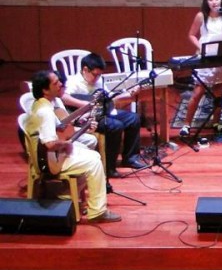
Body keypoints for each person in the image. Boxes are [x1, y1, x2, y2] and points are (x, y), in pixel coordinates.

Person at [25, 70, 121, 223]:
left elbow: (57, 130)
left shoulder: (40, 104)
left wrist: (80, 129)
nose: (61, 84)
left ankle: (67, 195)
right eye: (56, 83)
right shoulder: (46, 112)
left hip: (47, 155)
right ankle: (97, 211)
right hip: (49, 161)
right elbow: (49, 144)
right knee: (94, 161)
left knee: (88, 147)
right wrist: (66, 144)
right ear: (45, 90)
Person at [62, 53, 146, 178]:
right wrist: (84, 104)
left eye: (99, 75)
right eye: (95, 74)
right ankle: (109, 167)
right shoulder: (73, 81)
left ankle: (130, 158)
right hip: (86, 117)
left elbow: (111, 98)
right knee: (115, 126)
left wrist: (129, 95)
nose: (97, 78)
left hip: (102, 112)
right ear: (85, 69)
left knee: (133, 118)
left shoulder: (99, 80)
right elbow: (64, 97)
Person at [180, 0, 222, 138]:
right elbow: (191, 35)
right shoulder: (201, 16)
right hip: (206, 58)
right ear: (206, 2)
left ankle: (216, 122)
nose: (214, 2)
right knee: (198, 92)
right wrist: (201, 46)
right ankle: (186, 124)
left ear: (221, 0)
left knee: (218, 93)